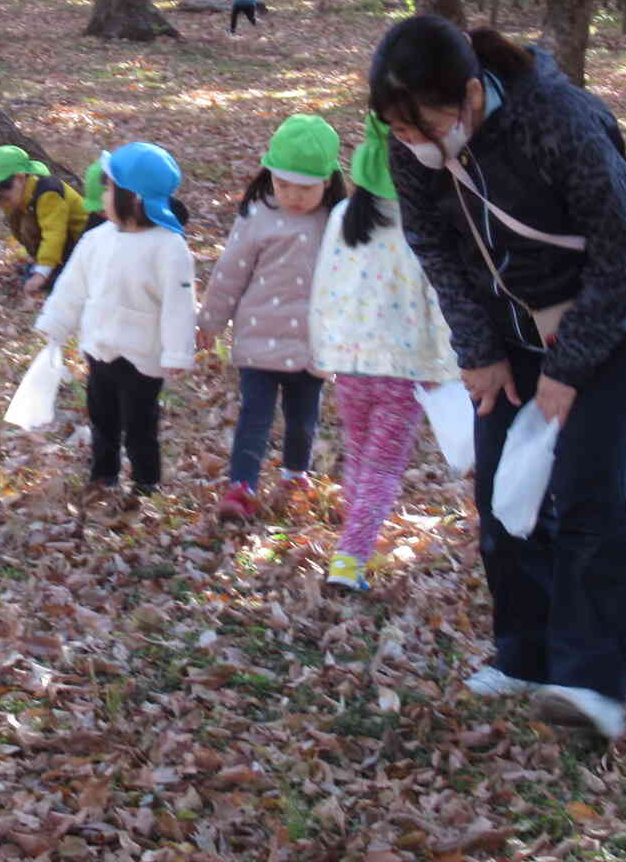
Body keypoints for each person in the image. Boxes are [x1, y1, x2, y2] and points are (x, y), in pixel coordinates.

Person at [373, 14, 626, 742]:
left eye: (427, 126)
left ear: (472, 95)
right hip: (510, 332)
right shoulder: (412, 147)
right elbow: (436, 247)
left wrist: (570, 371)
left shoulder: (559, 121)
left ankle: (592, 682)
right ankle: (525, 654)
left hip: (614, 324)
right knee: (503, 491)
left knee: (589, 493)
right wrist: (479, 352)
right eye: (399, 132)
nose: (413, 144)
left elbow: (618, 250)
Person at [309, 112, 460, 591]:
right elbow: (442, 298)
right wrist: (447, 362)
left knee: (359, 459)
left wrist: (321, 347)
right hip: (403, 368)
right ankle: (349, 559)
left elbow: (323, 287)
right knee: (382, 467)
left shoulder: (340, 218)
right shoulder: (426, 226)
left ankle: (350, 543)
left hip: (351, 364)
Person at [197, 115, 347, 522]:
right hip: (258, 342)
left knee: (303, 420)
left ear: (328, 182)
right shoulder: (257, 216)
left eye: (305, 188)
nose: (293, 196)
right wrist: (210, 321)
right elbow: (230, 272)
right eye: (283, 185)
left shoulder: (337, 221)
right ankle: (241, 486)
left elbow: (350, 282)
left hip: (310, 346)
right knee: (254, 417)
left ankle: (295, 476)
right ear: (268, 177)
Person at [36, 143, 198, 499]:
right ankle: (103, 473)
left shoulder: (168, 247)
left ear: (135, 199)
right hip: (98, 347)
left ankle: (146, 481)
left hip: (142, 354)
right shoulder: (95, 240)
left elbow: (178, 304)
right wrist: (56, 322)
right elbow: (72, 287)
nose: (103, 196)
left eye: (109, 189)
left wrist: (177, 353)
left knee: (140, 424)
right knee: (102, 417)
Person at [0, 145, 89, 295]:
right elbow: (23, 231)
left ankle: (54, 271)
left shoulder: (48, 193)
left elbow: (54, 235)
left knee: (57, 283)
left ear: (20, 178)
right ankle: (48, 267)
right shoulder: (20, 199)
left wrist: (40, 274)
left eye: (6, 199)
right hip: (65, 249)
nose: (4, 206)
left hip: (84, 247)